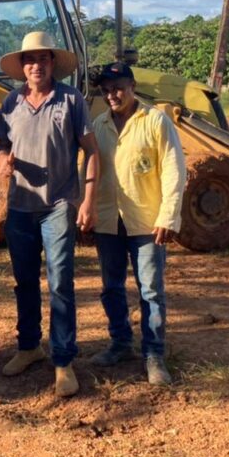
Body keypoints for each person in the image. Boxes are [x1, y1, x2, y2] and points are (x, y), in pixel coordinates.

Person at [0, 31, 99, 398]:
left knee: (60, 284)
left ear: (53, 63)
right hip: (20, 208)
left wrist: (86, 202)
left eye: (42, 58)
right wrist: (4, 160)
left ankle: (63, 361)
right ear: (22, 67)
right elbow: (2, 146)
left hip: (57, 207)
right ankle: (28, 347)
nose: (36, 65)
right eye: (29, 60)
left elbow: (92, 151)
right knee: (24, 282)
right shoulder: (10, 103)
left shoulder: (71, 100)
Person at [90, 62, 185, 386]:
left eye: (117, 87)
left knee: (151, 290)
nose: (111, 95)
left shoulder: (155, 121)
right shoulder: (99, 125)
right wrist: (84, 208)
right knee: (111, 288)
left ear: (131, 86)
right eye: (105, 90)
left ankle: (154, 354)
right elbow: (87, 171)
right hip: (107, 220)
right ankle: (120, 344)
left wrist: (169, 215)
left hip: (146, 221)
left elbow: (174, 168)